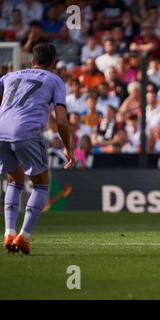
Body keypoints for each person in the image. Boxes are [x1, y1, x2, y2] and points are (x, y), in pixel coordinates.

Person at [0, 42, 74, 254]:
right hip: (26, 130)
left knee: (14, 180)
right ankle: (23, 236)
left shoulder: (9, 77)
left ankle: (8, 232)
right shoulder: (55, 80)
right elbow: (61, 121)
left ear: (32, 61)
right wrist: (68, 148)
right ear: (53, 63)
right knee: (41, 184)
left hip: (1, 130)